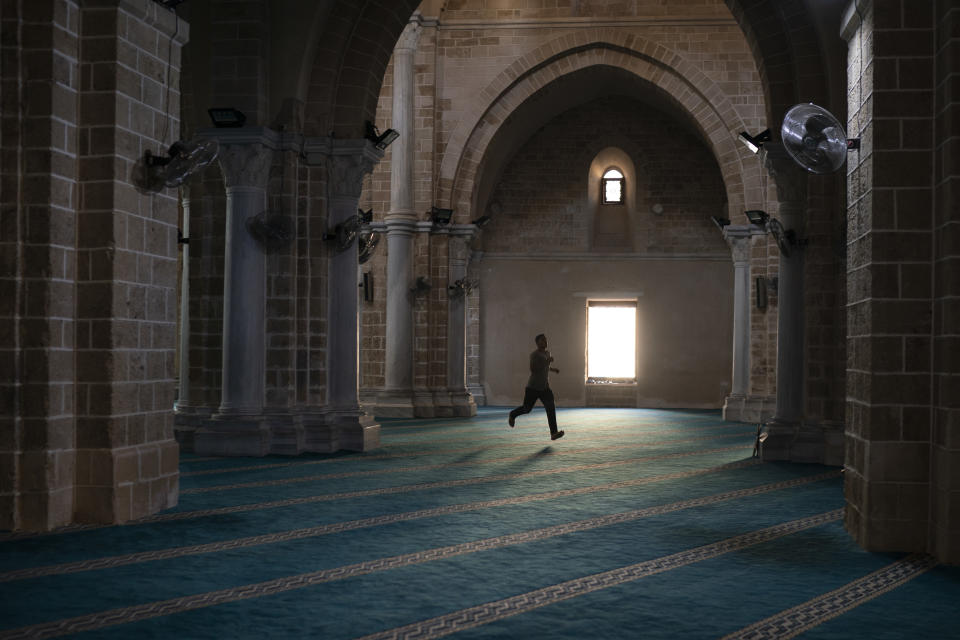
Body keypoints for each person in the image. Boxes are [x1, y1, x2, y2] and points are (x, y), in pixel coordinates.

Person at [508, 333, 564, 440]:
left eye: (546, 340)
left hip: (544, 387)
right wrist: (547, 361)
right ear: (537, 343)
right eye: (543, 340)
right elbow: (534, 369)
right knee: (526, 409)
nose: (545, 342)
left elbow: (545, 367)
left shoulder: (548, 353)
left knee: (550, 407)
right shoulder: (534, 355)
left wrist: (553, 369)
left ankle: (554, 433)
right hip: (533, 387)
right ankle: (512, 414)